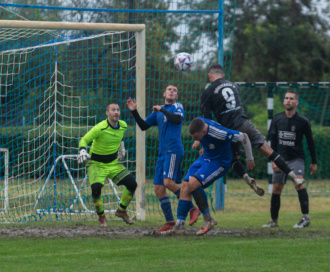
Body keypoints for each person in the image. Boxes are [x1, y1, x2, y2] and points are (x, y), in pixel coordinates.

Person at [200, 64, 305, 191]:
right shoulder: (234, 86)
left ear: (209, 76)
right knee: (269, 151)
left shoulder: (208, 92)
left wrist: (203, 143)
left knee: (234, 159)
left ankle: (247, 178)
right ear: (223, 75)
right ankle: (294, 176)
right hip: (244, 123)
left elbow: (207, 120)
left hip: (228, 131)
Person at [126, 84, 200, 233]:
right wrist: (134, 111)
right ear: (164, 94)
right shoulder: (158, 111)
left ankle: (192, 208)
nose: (172, 92)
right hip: (162, 154)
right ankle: (170, 222)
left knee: (168, 182)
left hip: (173, 151)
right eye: (169, 90)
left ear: (176, 96)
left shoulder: (177, 106)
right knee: (159, 189)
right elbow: (144, 126)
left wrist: (162, 110)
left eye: (174, 90)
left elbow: (177, 120)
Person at [165, 117, 254, 236]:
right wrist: (199, 140)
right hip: (205, 157)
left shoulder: (220, 133)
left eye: (195, 137)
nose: (193, 140)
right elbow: (200, 127)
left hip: (219, 162)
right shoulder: (199, 122)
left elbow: (244, 137)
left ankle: (208, 219)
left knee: (193, 184)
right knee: (185, 185)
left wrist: (249, 158)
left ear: (204, 132)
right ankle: (179, 227)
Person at [262, 90, 317, 228]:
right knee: (276, 188)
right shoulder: (276, 119)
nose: (288, 100)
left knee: (299, 183)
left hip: (296, 159)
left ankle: (305, 218)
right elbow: (272, 141)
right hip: (280, 159)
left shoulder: (303, 121)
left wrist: (314, 162)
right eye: (286, 98)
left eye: (291, 98)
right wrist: (273, 160)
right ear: (283, 101)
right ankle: (274, 221)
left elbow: (310, 142)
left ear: (296, 102)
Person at [77, 102, 137, 227]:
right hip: (96, 163)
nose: (116, 112)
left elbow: (119, 136)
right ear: (107, 113)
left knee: (132, 184)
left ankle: (121, 210)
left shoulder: (123, 125)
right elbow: (84, 139)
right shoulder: (100, 127)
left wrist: (121, 146)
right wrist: (82, 150)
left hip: (113, 163)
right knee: (96, 189)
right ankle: (102, 217)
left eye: (118, 110)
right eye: (113, 110)